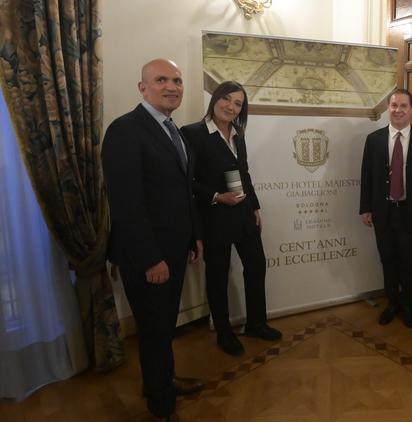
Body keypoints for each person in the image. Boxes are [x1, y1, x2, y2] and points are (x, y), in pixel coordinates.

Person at [102, 58, 204, 421]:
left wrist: (194, 236)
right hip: (148, 256)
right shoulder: (125, 130)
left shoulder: (173, 130)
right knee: (154, 329)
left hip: (174, 249)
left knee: (162, 327)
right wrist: (149, 259)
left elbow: (183, 192)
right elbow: (126, 204)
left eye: (177, 80)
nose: (172, 86)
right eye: (162, 80)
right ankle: (161, 403)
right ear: (142, 88)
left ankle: (162, 382)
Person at [181, 81, 281, 357]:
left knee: (256, 266)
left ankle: (257, 324)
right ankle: (224, 333)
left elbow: (244, 173)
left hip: (244, 214)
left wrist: (255, 207)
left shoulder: (238, 134)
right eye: (227, 99)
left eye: (238, 104)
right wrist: (216, 196)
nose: (231, 107)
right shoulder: (192, 133)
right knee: (218, 276)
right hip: (214, 217)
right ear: (215, 98)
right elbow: (187, 181)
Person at [359, 88, 412, 328]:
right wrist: (365, 208)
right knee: (387, 260)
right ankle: (392, 303)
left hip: (411, 211)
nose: (398, 110)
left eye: (403, 106)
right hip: (383, 211)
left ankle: (408, 304)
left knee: (409, 261)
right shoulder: (374, 140)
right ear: (388, 108)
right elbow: (366, 176)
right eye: (394, 105)